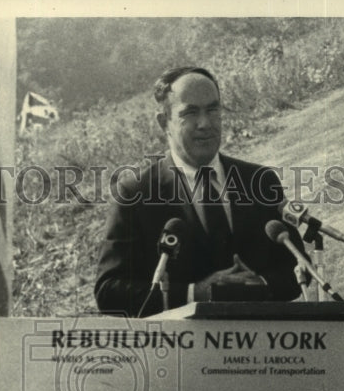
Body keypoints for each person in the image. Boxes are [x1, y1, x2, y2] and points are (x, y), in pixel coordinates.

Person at [95, 66, 306, 317]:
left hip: (263, 347)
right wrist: (196, 293)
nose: (205, 123)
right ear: (164, 123)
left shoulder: (260, 181)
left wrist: (260, 284)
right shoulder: (135, 195)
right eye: (190, 113)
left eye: (212, 109)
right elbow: (109, 292)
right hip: (180, 351)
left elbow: (299, 265)